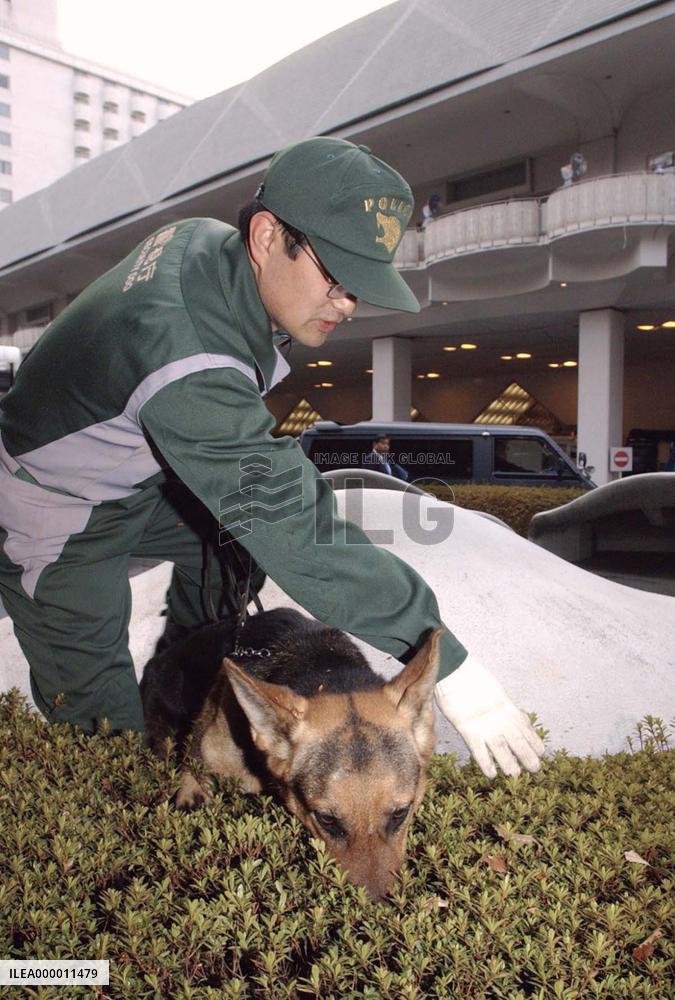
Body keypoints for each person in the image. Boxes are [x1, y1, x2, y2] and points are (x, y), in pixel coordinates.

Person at [0, 137, 544, 778]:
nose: (348, 305)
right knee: (104, 738)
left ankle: (192, 675)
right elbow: (292, 524)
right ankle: (134, 737)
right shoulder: (186, 347)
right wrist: (444, 659)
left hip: (137, 476)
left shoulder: (206, 244)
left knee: (236, 545)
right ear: (265, 237)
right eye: (338, 280)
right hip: (51, 506)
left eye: (360, 287)